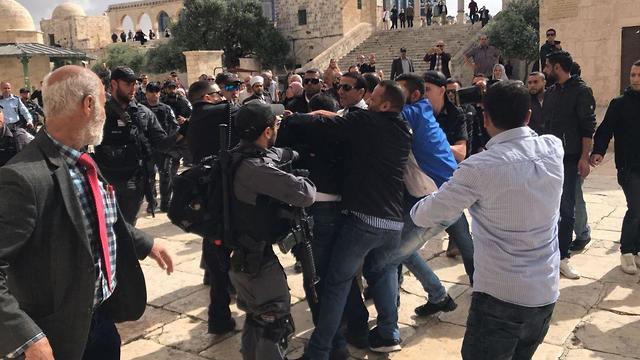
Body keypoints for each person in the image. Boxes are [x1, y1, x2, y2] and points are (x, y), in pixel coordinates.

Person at [0, 65, 173, 360]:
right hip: (57, 336)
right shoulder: (22, 178)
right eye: (103, 103)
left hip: (100, 320)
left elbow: (100, 220)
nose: (105, 113)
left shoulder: (83, 160)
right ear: (88, 104)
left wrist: (147, 243)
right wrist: (26, 337)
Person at [412, 80, 563, 360]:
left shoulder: (480, 168)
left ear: (485, 118)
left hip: (500, 298)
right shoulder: (554, 148)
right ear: (528, 115)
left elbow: (426, 215)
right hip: (544, 293)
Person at [290, 81, 411, 359]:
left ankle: (319, 351)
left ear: (385, 105)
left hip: (364, 221)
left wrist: (298, 117)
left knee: (335, 283)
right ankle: (389, 333)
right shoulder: (403, 129)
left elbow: (326, 126)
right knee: (383, 275)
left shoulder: (368, 122)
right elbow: (341, 119)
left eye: (374, 97)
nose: (367, 99)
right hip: (393, 223)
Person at [277, 93, 369, 358]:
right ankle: (359, 329)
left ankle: (332, 345)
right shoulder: (346, 129)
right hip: (344, 208)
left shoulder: (300, 128)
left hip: (315, 209)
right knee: (341, 275)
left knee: (316, 278)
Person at [230, 102, 316, 360]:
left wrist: (288, 154)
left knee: (257, 318)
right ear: (267, 132)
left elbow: (273, 156)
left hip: (240, 256)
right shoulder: (255, 169)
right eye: (275, 125)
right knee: (275, 320)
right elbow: (305, 195)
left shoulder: (234, 156)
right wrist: (304, 177)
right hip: (256, 261)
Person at [186, 77, 241, 334]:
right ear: (207, 98)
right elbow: (238, 110)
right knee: (225, 244)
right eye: (218, 93)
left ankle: (219, 312)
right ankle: (221, 314)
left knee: (213, 244)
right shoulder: (212, 112)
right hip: (220, 192)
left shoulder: (196, 118)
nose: (223, 96)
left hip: (208, 192)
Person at [93, 66, 175, 225]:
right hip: (107, 183)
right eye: (128, 84)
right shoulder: (99, 112)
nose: (133, 88)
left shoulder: (143, 112)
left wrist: (182, 134)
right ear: (114, 84)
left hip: (134, 184)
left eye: (135, 84)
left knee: (128, 229)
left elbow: (162, 143)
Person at [542, 51, 596, 279]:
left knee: (567, 209)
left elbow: (587, 128)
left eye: (547, 66)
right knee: (549, 209)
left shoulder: (582, 91)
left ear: (557, 68)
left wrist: (584, 158)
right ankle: (550, 252)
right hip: (549, 159)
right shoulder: (552, 92)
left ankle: (563, 257)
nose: (545, 71)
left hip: (570, 159)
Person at [591, 60, 640, 274]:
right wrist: (598, 151)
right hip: (628, 166)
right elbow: (605, 130)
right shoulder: (619, 103)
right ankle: (627, 251)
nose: (636, 79)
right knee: (636, 208)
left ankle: (637, 249)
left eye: (639, 75)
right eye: (633, 75)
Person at [142, 82, 180, 212]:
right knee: (148, 177)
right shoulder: (140, 109)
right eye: (151, 91)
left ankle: (165, 202)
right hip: (147, 148)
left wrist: (169, 141)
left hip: (163, 148)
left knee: (165, 176)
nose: (154, 94)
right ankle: (152, 201)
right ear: (146, 93)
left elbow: (175, 126)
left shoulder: (166, 108)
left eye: (157, 91)